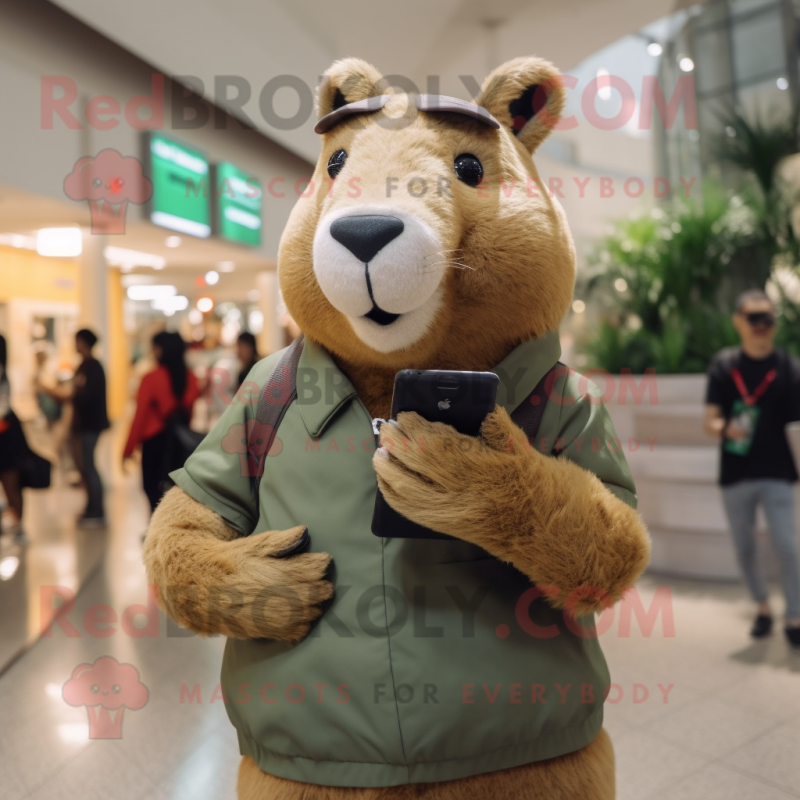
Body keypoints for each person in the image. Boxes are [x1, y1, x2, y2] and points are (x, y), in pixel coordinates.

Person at [705, 289, 800, 648]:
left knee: (788, 546)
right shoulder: (724, 366)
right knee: (744, 547)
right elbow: (709, 421)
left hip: (778, 472)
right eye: (754, 317)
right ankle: (762, 608)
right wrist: (725, 428)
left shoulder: (789, 367)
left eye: (768, 317)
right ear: (738, 321)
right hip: (735, 473)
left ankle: (795, 615)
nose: (762, 325)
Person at [124, 331, 200, 513]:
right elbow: (189, 414)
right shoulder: (191, 378)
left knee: (152, 490)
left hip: (154, 443)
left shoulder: (151, 379)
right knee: (177, 491)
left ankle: (156, 530)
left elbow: (139, 417)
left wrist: (128, 449)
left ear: (161, 350)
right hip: (181, 443)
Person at [0, 335, 27, 541]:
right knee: (11, 484)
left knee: (11, 483)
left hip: (5, 433)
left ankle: (18, 526)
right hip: (7, 431)